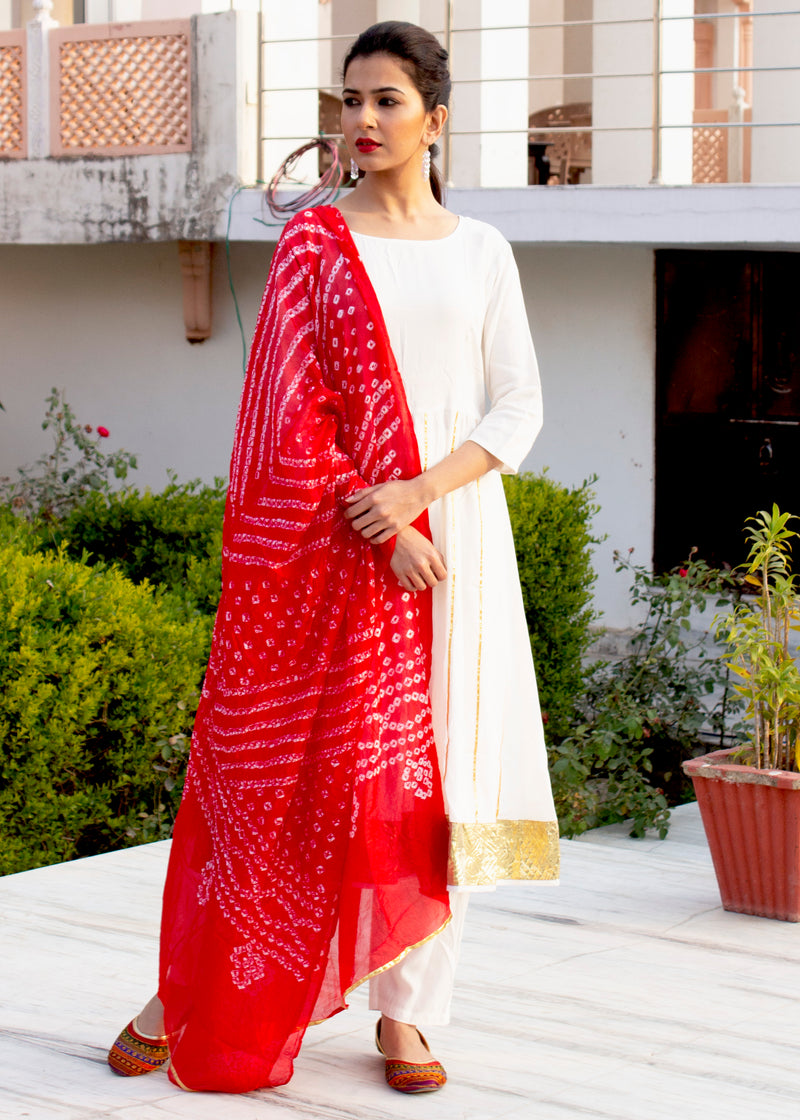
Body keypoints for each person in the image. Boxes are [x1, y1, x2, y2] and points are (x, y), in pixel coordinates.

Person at [107, 20, 558, 1097]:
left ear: (434, 120)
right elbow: (286, 423)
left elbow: (520, 405)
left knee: (430, 783)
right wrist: (384, 525)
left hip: (456, 553)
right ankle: (188, 992)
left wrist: (420, 497)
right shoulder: (314, 242)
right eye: (347, 100)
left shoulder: (481, 248)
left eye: (385, 101)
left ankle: (410, 1015)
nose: (360, 121)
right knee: (286, 778)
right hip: (342, 556)